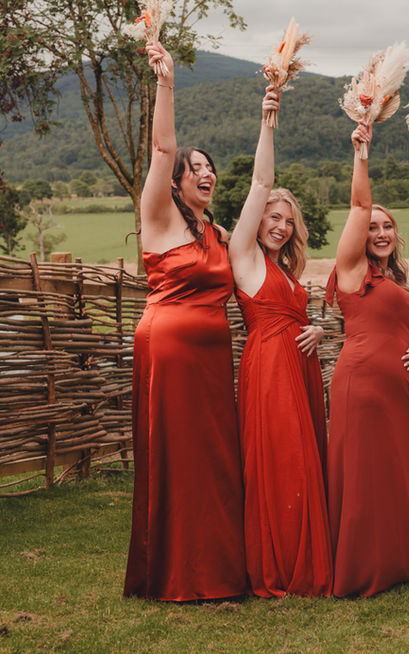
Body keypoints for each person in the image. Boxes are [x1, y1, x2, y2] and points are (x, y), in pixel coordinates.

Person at [124, 41, 246, 600]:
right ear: (175, 181)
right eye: (194, 168)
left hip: (214, 358)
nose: (206, 172)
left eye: (210, 167)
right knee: (181, 453)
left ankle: (217, 568)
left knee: (215, 453)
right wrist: (166, 82)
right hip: (169, 348)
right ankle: (178, 573)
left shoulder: (217, 235)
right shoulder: (159, 217)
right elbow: (161, 145)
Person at [228, 86, 332, 597]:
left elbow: (301, 314)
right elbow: (261, 179)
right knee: (280, 456)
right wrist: (269, 118)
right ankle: (280, 560)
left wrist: (314, 327)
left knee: (304, 452)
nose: (281, 226)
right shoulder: (243, 257)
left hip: (301, 366)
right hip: (269, 367)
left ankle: (308, 550)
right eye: (273, 217)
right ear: (257, 219)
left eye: (288, 222)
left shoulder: (286, 269)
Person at [325, 121, 409, 597]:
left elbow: (402, 328)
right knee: (365, 473)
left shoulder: (394, 280)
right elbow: (358, 204)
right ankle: (363, 569)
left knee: (396, 470)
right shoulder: (351, 270)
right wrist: (362, 154)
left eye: (388, 226)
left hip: (398, 390)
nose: (380, 232)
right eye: (372, 227)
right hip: (362, 385)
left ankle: (400, 563)